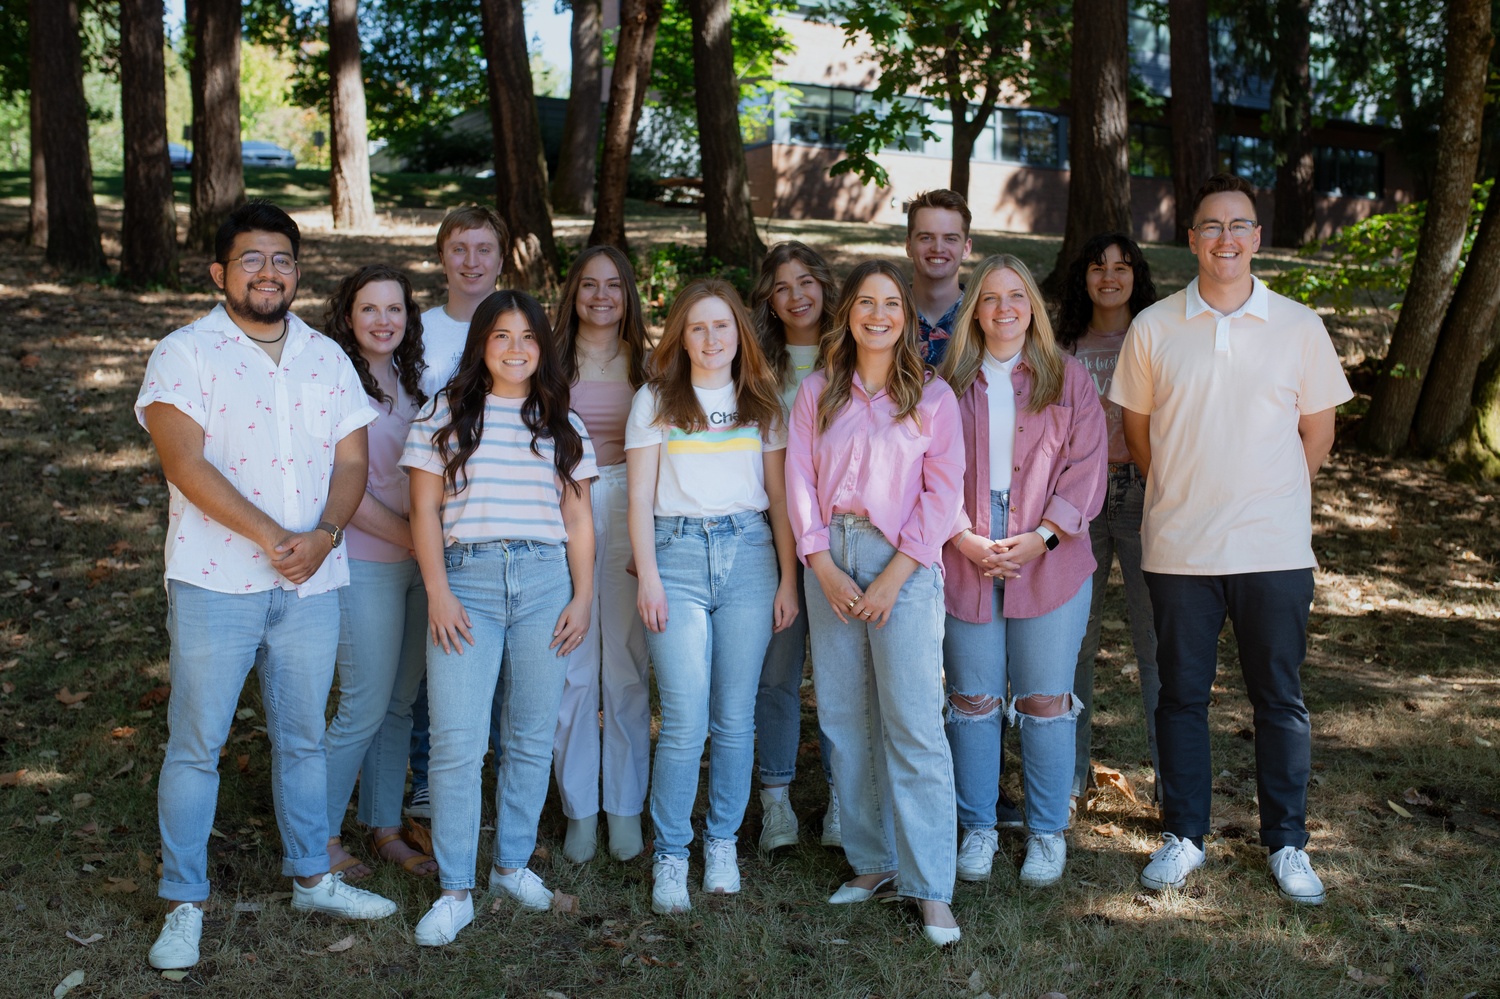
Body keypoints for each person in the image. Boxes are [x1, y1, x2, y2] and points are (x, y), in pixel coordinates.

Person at [136, 201, 397, 971]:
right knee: (197, 743)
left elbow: (352, 464)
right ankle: (184, 899)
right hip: (217, 580)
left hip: (313, 581)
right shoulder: (185, 353)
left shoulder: (325, 356)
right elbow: (183, 462)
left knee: (303, 737)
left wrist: (322, 537)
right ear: (220, 272)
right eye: (251, 258)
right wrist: (271, 537)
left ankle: (313, 877)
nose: (268, 271)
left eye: (281, 258)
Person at [1110, 173, 1352, 905]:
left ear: (1256, 237)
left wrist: (1270, 493)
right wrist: (1188, 490)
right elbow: (1139, 433)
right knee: (1181, 697)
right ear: (1191, 239)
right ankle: (1185, 833)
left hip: (1274, 551)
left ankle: (1287, 841)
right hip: (1180, 549)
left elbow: (1318, 430)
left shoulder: (1299, 325)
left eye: (1238, 225)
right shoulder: (1153, 326)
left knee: (1278, 698)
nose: (1225, 238)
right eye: (1210, 226)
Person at [400, 291, 597, 945]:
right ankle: (456, 888)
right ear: (480, 343)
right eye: (501, 336)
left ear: (543, 345)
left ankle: (511, 863)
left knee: (531, 734)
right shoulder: (446, 412)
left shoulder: (560, 419)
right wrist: (437, 590)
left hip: (546, 582)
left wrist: (582, 594)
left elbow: (577, 518)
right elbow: (423, 511)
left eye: (528, 337)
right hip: (469, 581)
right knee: (459, 742)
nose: (515, 348)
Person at [785, 259, 966, 947]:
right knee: (843, 716)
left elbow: (942, 493)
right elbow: (797, 477)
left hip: (905, 562)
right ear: (849, 313)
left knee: (913, 721)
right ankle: (873, 862)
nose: (879, 313)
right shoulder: (817, 392)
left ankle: (930, 885)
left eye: (892, 303)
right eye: (867, 301)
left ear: (907, 318)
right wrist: (820, 560)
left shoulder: (934, 399)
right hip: (830, 555)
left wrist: (896, 575)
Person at [625, 278, 798, 914]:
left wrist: (786, 576)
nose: (710, 338)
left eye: (721, 326)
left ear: (739, 334)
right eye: (697, 327)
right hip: (676, 555)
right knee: (685, 717)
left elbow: (778, 499)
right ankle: (671, 853)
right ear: (680, 336)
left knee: (734, 716)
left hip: (750, 554)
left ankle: (720, 841)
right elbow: (640, 498)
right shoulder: (655, 401)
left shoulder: (762, 400)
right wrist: (648, 576)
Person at [937, 255, 1107, 889]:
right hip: (966, 545)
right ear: (974, 310)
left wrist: (1041, 537)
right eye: (989, 297)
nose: (1004, 308)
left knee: (1045, 700)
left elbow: (1086, 468)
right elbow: (928, 471)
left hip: (1051, 548)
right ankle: (978, 825)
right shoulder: (947, 382)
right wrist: (961, 535)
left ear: (1033, 305)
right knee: (972, 699)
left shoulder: (1068, 379)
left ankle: (1045, 832)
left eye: (1016, 296)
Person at [319, 264, 437, 881]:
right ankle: (318, 839)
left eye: (395, 309)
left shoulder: (415, 382)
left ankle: (384, 825)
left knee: (399, 702)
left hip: (419, 567)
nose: (384, 320)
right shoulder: (335, 383)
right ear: (348, 317)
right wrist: (419, 541)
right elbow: (348, 492)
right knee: (362, 706)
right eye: (370, 309)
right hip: (363, 564)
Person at [407, 205, 511, 820]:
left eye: (484, 249)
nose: (471, 261)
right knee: (439, 655)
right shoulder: (419, 332)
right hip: (434, 520)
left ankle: (488, 778)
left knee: (495, 665)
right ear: (442, 256)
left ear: (502, 258)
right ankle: (428, 778)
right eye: (459, 249)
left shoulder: (520, 324)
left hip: (502, 519)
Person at [551, 246, 652, 863]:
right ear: (573, 293)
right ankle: (578, 810)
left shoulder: (649, 361)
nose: (601, 296)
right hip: (558, 504)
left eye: (613, 285)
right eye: (589, 285)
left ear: (628, 294)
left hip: (629, 504)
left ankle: (624, 808)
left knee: (626, 668)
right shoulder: (549, 356)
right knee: (571, 667)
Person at [1054, 233, 1162, 810]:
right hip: (1079, 500)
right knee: (1075, 640)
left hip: (1146, 493)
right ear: (1085, 277)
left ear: (1135, 275)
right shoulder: (1063, 342)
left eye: (1122, 267)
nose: (1110, 277)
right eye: (1098, 267)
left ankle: (1174, 786)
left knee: (1156, 642)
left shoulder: (1156, 334)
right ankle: (1066, 783)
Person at [747, 240, 841, 852]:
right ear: (769, 301)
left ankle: (843, 799)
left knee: (838, 675)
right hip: (767, 535)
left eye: (806, 281)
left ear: (825, 287)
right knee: (777, 674)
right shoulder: (754, 365)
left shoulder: (854, 354)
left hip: (840, 540)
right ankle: (776, 798)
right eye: (782, 287)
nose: (796, 295)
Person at [905, 189, 973, 367]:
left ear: (966, 248)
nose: (937, 248)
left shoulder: (982, 318)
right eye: (926, 237)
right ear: (908, 245)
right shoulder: (885, 316)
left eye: (950, 239)